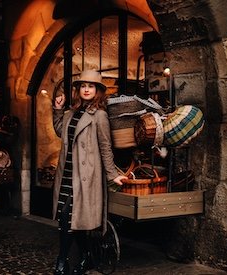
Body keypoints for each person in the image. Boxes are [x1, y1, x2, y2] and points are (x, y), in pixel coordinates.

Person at [52, 70, 127, 275]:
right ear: (78, 89)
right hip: (66, 173)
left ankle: (62, 261)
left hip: (86, 176)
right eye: (83, 86)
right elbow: (61, 132)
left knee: (72, 218)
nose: (86, 89)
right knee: (68, 218)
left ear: (98, 91)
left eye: (91, 86)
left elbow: (105, 146)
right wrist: (57, 109)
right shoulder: (70, 113)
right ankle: (86, 257)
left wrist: (112, 174)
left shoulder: (100, 116)